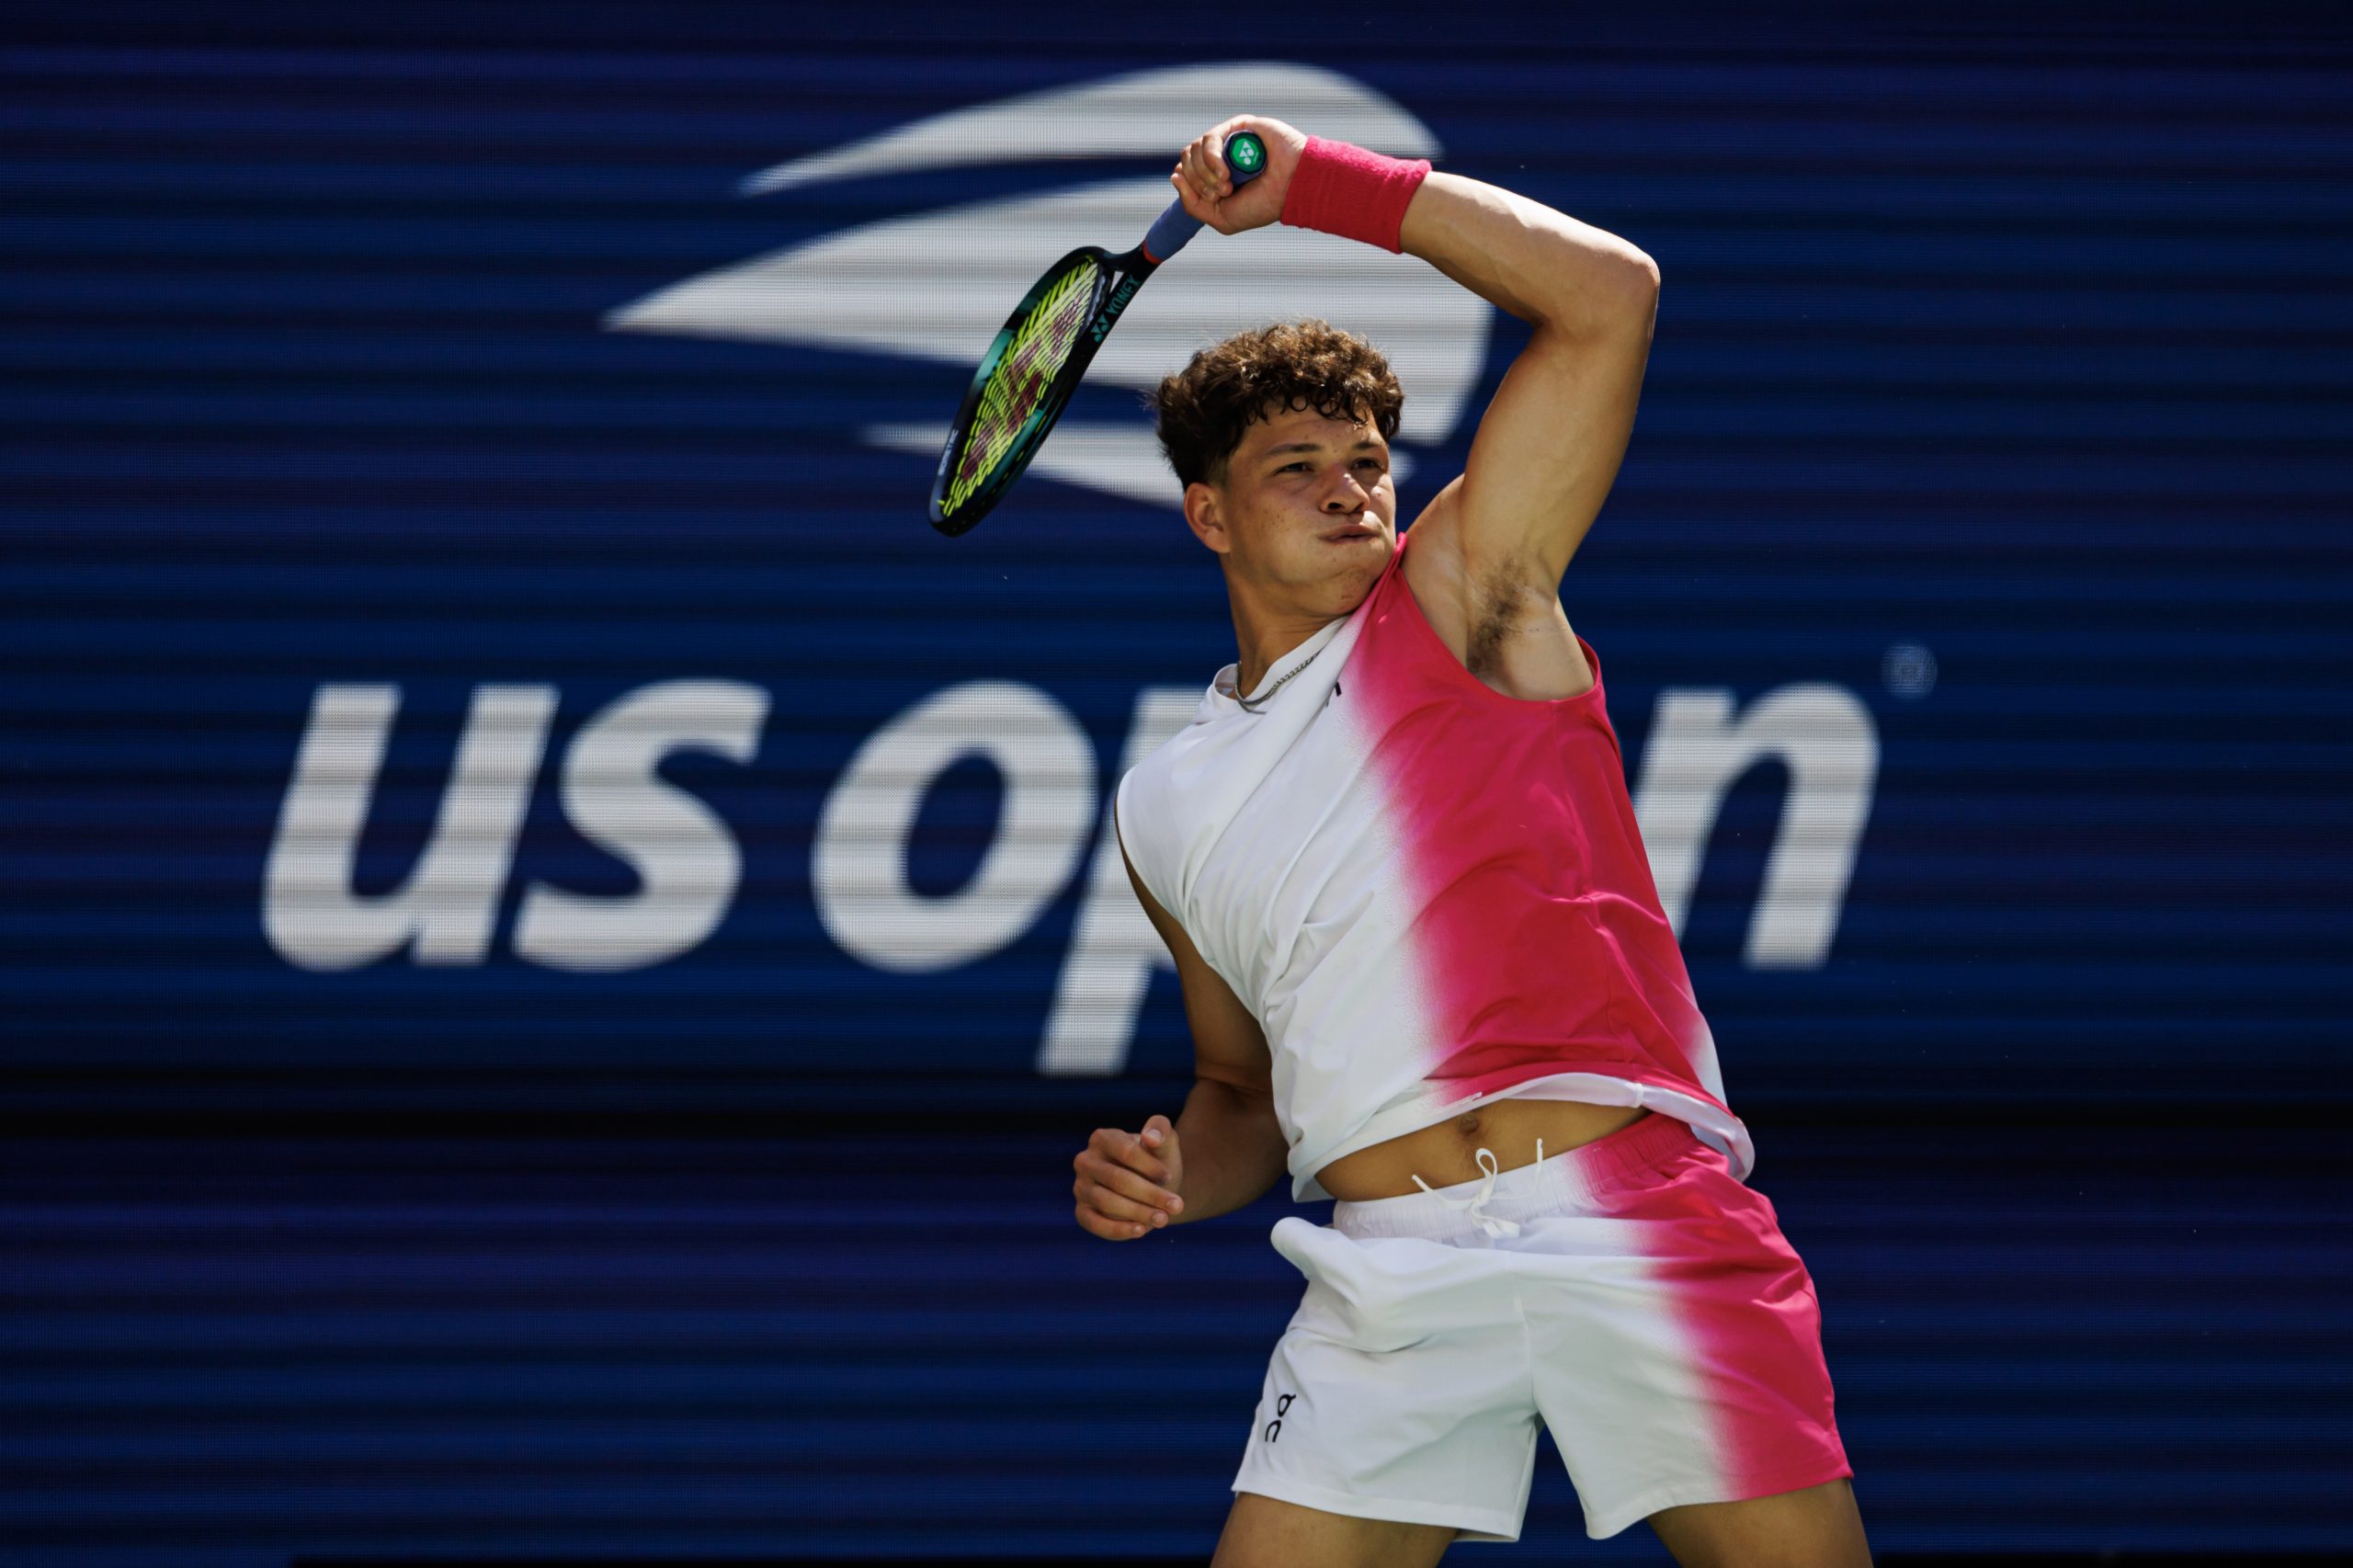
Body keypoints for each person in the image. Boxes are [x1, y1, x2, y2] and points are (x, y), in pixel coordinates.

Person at [1070, 117, 1871, 1568]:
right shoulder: (1163, 803)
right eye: (1295, 467)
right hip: (1385, 1277)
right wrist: (1176, 1164)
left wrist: (1318, 186)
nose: (1348, 490)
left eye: (1367, 460)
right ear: (1207, 514)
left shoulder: (1462, 592)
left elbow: (1609, 295)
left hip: (1637, 1220)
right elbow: (1240, 1087)